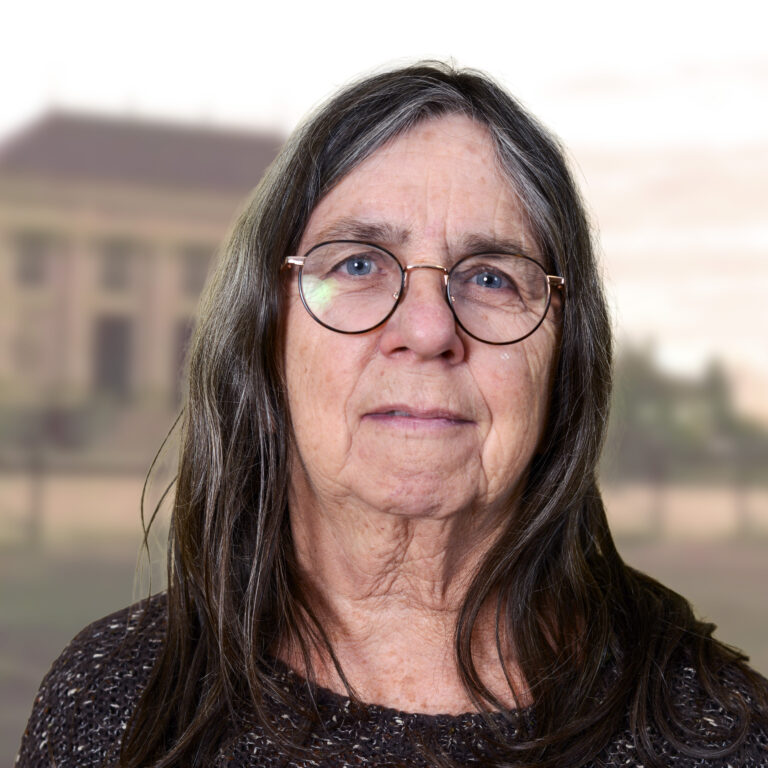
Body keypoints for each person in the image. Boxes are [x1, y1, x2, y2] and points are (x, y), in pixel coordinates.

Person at [16, 62, 768, 768]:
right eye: (358, 264)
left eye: (491, 277)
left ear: (565, 358)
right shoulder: (108, 700)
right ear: (266, 335)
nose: (430, 329)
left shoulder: (724, 738)